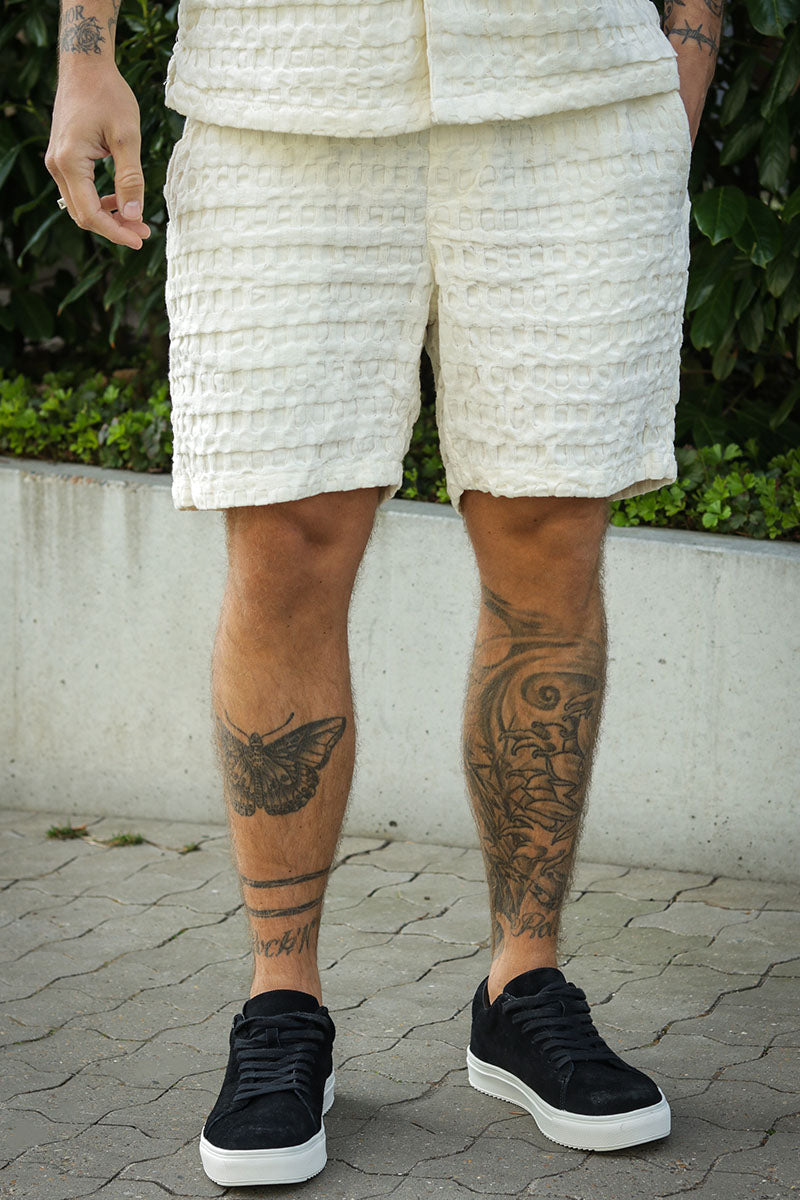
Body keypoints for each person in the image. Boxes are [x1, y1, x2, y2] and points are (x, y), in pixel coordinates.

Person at [46, 0, 724, 1186]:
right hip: (283, 85)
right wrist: (83, 55)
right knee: (286, 540)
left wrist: (685, 51)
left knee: (547, 537)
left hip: (569, 91)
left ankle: (522, 987)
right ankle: (281, 1002)